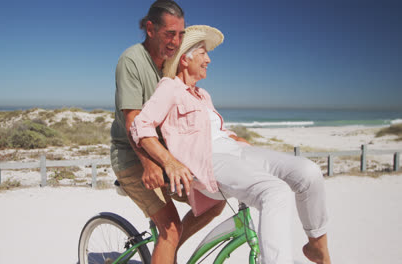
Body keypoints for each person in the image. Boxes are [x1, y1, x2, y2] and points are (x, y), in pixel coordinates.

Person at [130, 25, 332, 264]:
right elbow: (140, 126)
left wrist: (235, 138)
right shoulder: (170, 87)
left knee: (308, 171)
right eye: (203, 52)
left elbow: (215, 130)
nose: (209, 59)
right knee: (274, 192)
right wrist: (169, 162)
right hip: (207, 160)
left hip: (234, 150)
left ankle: (316, 246)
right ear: (185, 58)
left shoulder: (203, 94)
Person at [109, 1, 226, 263]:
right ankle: (169, 242)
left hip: (165, 155)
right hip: (133, 156)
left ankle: (169, 250)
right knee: (170, 227)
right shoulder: (132, 61)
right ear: (150, 29)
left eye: (181, 34)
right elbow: (132, 121)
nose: (175, 41)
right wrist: (149, 163)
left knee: (214, 200)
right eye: (169, 34)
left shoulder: (170, 64)